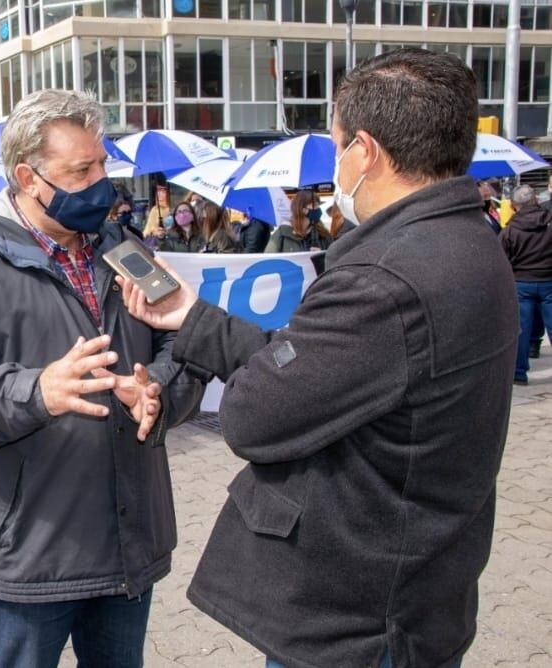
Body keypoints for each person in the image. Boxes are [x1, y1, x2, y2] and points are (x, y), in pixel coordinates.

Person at [114, 48, 517, 668]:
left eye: (335, 147)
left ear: (366, 151)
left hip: (360, 618)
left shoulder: (386, 277)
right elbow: (313, 374)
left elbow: (257, 414)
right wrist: (192, 318)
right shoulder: (465, 238)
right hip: (415, 590)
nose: (334, 166)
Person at [0, 89, 204, 668]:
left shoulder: (124, 247)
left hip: (127, 541)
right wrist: (36, 391)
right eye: (82, 170)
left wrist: (158, 392)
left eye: (102, 164)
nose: (103, 182)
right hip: (31, 552)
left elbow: (182, 341)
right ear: (28, 177)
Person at [500, 184, 552, 386]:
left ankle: (518, 373)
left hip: (521, 283)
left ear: (514, 205)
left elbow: (502, 259)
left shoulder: (510, 231)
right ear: (536, 201)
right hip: (548, 280)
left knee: (521, 329)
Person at [265, 189, 331, 252]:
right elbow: (269, 259)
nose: (318, 209)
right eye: (315, 205)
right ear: (303, 209)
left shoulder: (323, 233)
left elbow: (333, 259)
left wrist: (322, 256)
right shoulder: (282, 234)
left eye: (318, 205)